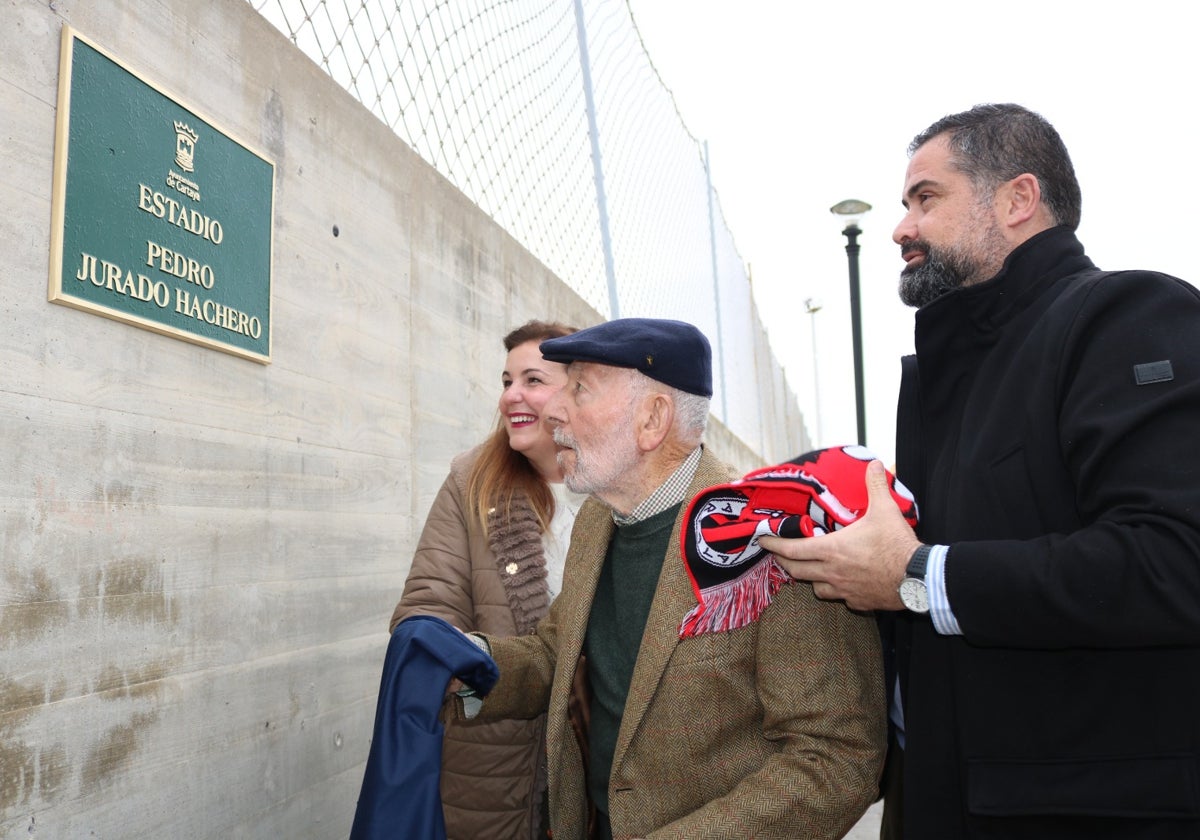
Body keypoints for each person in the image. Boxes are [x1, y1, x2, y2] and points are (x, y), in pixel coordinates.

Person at [762, 103, 1200, 839]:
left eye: (926, 198)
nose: (902, 227)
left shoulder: (1125, 314)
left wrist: (916, 573)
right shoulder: (958, 375)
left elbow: (1177, 560)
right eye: (904, 204)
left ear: (1018, 200)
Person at [455, 317, 885, 840]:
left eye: (580, 389)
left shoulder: (768, 535)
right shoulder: (600, 518)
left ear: (652, 419)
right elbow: (555, 652)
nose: (554, 410)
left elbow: (835, 757)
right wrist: (466, 660)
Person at [390, 319, 585, 840]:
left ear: (581, 391)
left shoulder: (617, 488)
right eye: (506, 382)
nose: (510, 397)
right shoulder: (472, 480)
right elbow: (427, 604)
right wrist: (453, 657)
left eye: (532, 381)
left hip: (595, 770)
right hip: (490, 768)